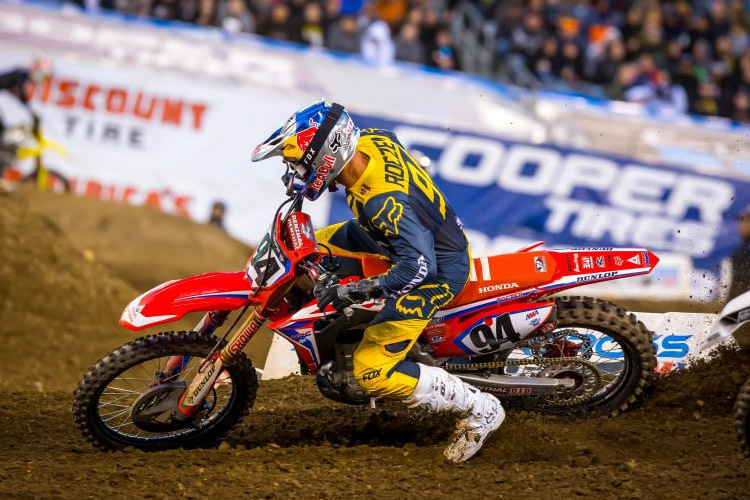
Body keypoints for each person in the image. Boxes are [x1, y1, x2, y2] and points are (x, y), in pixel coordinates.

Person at [251, 100, 504, 463]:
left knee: (372, 370)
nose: (295, 171)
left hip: (438, 270)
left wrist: (357, 290)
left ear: (327, 155)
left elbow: (419, 269)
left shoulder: (384, 203)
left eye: (299, 162)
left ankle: (481, 408)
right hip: (395, 237)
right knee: (311, 246)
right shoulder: (372, 140)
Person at [728, 205, 750, 302]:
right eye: (740, 220)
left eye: (745, 220)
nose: (741, 224)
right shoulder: (740, 244)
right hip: (739, 298)